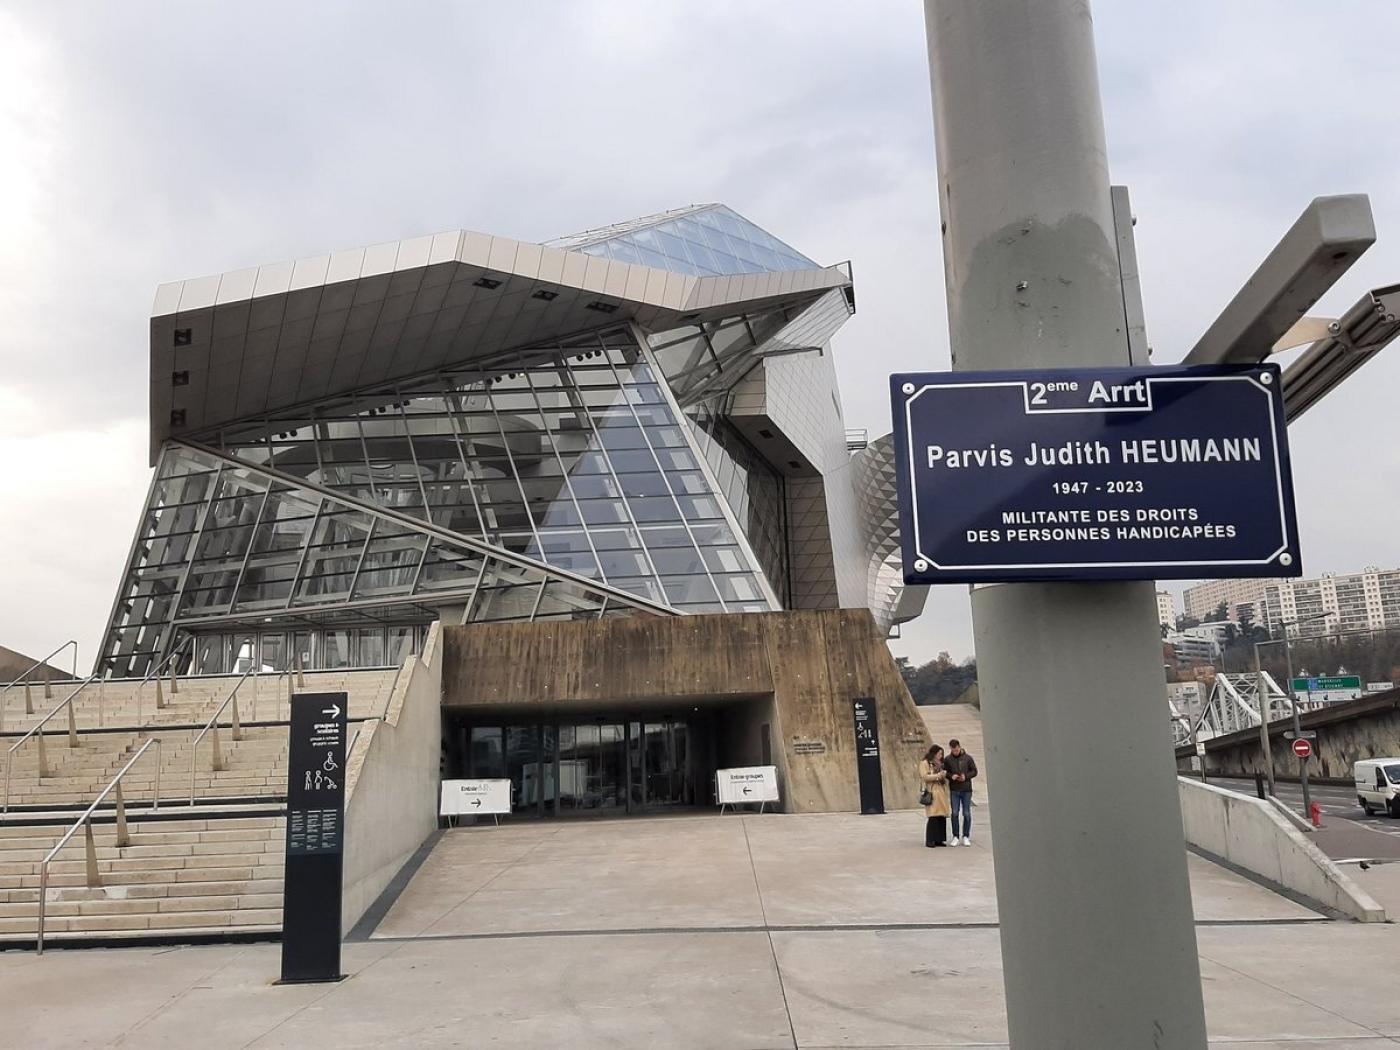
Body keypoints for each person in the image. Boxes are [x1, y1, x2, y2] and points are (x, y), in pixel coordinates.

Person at [943, 738, 978, 846]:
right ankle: (955, 835)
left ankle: (966, 835)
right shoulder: (948, 759)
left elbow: (974, 771)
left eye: (957, 750)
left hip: (966, 789)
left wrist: (966, 776)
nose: (955, 752)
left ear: (959, 747)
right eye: (953, 750)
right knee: (954, 813)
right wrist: (951, 776)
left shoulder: (967, 758)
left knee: (966, 813)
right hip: (954, 789)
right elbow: (945, 771)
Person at [918, 744, 950, 846]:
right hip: (932, 791)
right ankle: (930, 839)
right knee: (933, 816)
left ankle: (940, 839)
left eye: (941, 754)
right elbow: (924, 776)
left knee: (941, 816)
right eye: (939, 753)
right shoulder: (925, 763)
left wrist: (943, 776)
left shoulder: (940, 764)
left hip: (941, 791)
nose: (940, 756)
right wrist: (937, 775)